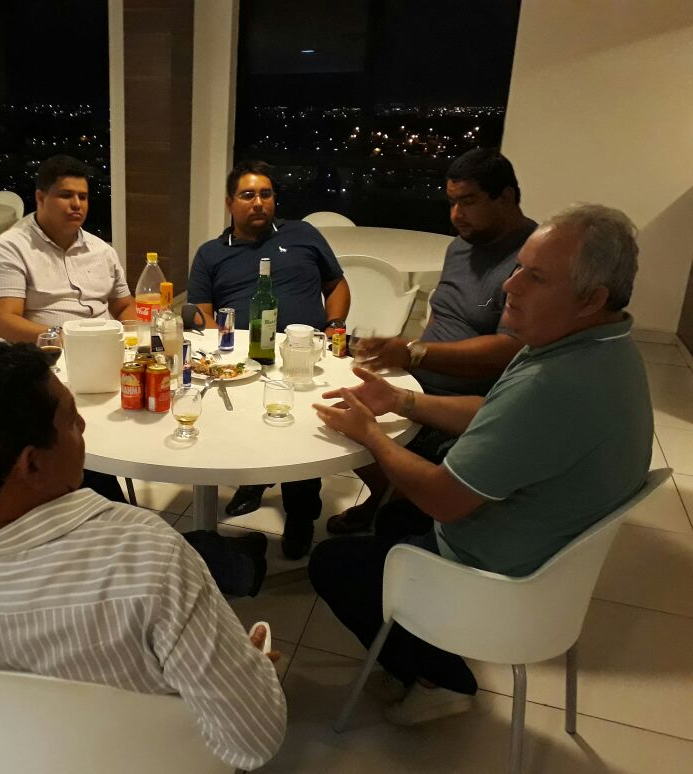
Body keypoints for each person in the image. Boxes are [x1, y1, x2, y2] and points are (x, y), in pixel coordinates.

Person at [0, 342, 287, 770]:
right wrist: (247, 671)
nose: (83, 424)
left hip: (22, 751)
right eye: (70, 419)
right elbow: (254, 741)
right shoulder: (148, 558)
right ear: (32, 465)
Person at [308, 204, 651, 725]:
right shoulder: (597, 347)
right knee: (395, 514)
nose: (510, 285)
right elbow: (493, 413)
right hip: (539, 536)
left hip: (504, 577)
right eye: (519, 268)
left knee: (332, 563)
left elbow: (444, 499)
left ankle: (440, 679)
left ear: (592, 298)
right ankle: (414, 627)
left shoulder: (555, 386)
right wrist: (401, 402)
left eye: (536, 277)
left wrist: (370, 435)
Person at [327, 147, 537, 536]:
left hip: (469, 404)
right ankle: (384, 494)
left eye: (468, 202)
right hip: (421, 379)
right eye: (452, 202)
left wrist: (414, 353)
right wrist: (402, 360)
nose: (456, 215)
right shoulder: (459, 247)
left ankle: (400, 510)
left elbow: (509, 350)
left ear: (506, 197)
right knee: (337, 410)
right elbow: (442, 312)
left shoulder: (529, 262)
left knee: (372, 441)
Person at [187, 160, 351, 559]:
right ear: (230, 202)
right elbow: (201, 314)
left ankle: (301, 514)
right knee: (244, 428)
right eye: (248, 195)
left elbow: (337, 284)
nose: (258, 202)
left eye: (266, 194)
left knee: (302, 434)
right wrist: (222, 350)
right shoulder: (211, 254)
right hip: (242, 358)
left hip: (304, 354)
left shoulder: (303, 235)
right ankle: (255, 479)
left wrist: (334, 325)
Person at [0, 154, 135, 344]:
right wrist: (67, 339)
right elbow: (3, 322)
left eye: (83, 197)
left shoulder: (102, 250)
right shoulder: (9, 250)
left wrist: (131, 339)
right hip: (45, 352)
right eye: (66, 195)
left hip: (105, 347)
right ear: (40, 198)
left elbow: (124, 306)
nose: (77, 204)